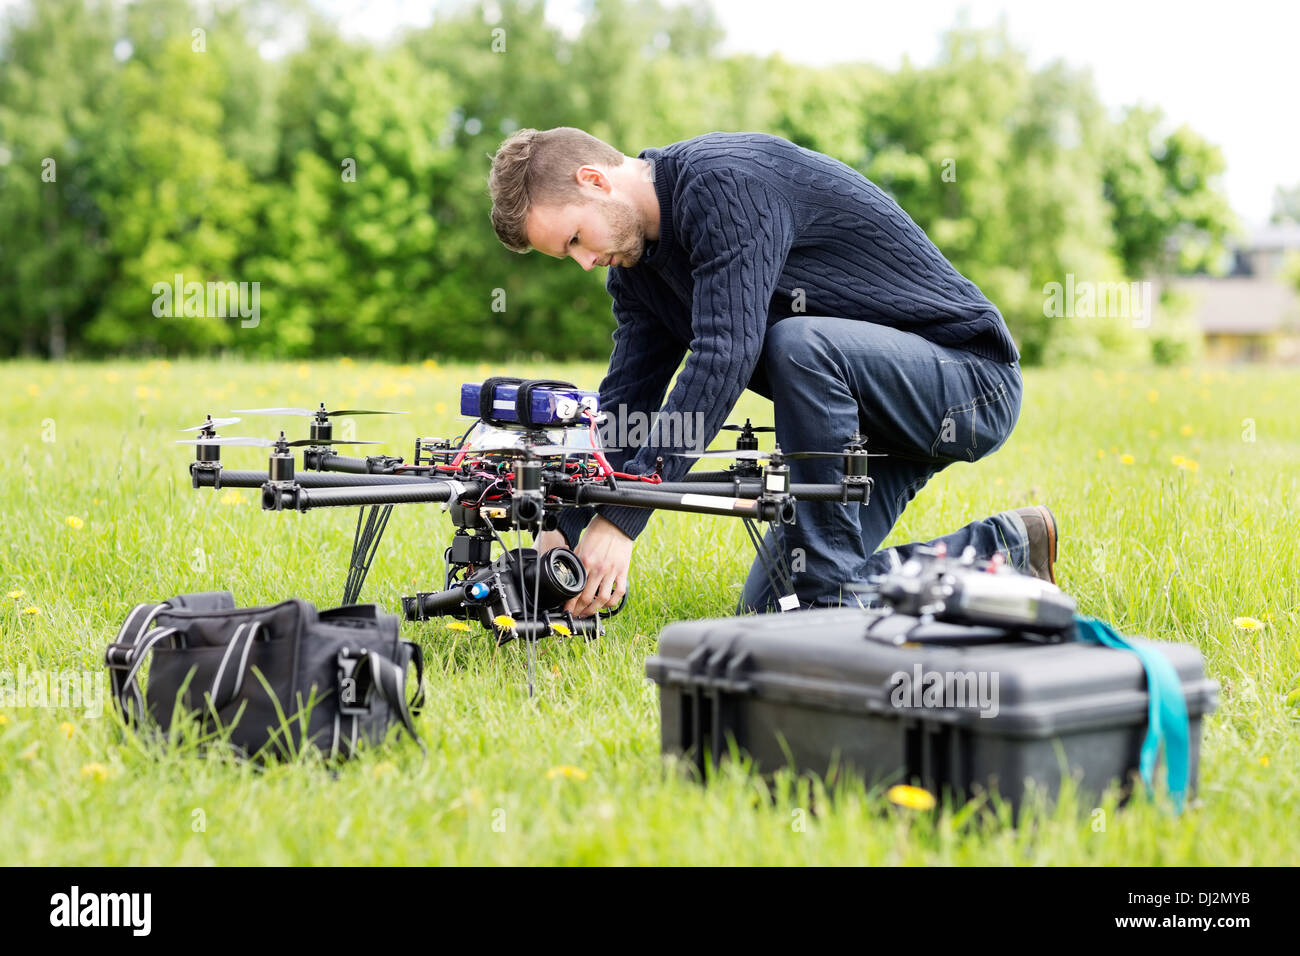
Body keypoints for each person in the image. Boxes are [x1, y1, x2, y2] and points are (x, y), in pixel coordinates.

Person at [488, 127, 1058, 618]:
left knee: (800, 343)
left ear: (594, 179)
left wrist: (621, 519)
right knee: (778, 610)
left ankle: (828, 587)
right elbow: (627, 405)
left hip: (966, 383)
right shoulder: (639, 271)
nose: (585, 261)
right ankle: (1007, 550)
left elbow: (723, 355)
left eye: (576, 240)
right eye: (569, 256)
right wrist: (566, 521)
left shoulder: (725, 185)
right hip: (860, 423)